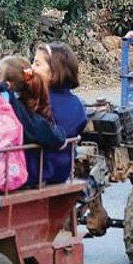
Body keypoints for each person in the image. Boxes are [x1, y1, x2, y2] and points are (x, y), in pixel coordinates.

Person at [29, 43, 88, 186]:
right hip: (61, 172)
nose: (31, 68)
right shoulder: (77, 104)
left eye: (37, 64)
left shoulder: (37, 100)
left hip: (35, 171)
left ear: (54, 72)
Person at [0, 57, 68, 166]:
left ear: (7, 85)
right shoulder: (24, 108)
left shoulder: (8, 103)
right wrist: (60, 136)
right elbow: (43, 130)